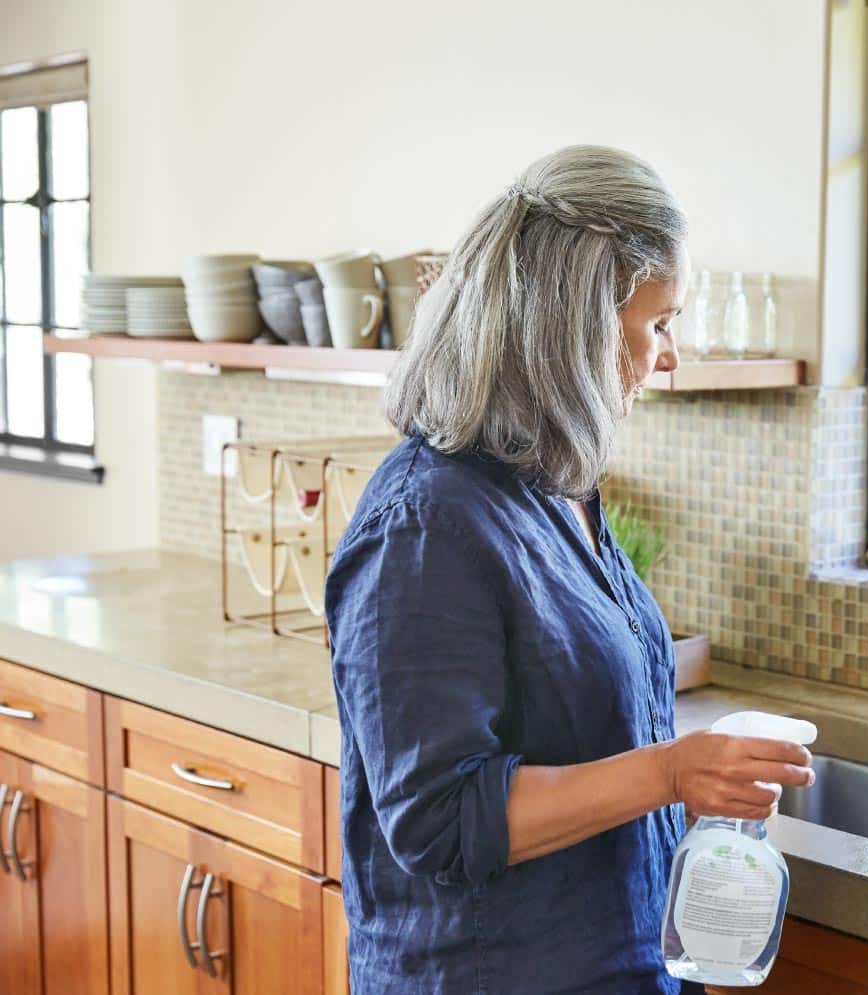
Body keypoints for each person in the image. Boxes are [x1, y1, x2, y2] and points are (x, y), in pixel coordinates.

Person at [326, 145, 815, 994]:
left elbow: (580, 737)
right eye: (660, 323)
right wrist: (668, 770)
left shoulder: (557, 484)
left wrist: (689, 782)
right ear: (577, 326)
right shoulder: (427, 524)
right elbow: (438, 818)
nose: (671, 355)